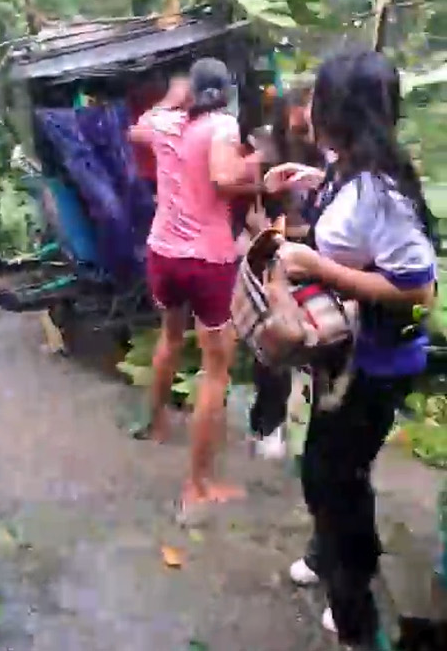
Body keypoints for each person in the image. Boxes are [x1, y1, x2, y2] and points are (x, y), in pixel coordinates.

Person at [265, 49, 435, 647]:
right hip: (344, 356)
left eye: (319, 97)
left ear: (343, 110)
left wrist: (319, 267)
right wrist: (309, 183)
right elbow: (350, 219)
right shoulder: (350, 167)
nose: (308, 108)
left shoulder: (381, 193)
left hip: (377, 364)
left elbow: (418, 292)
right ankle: (330, 550)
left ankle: (354, 597)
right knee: (325, 462)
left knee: (335, 473)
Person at [128, 57, 259, 509]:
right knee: (215, 370)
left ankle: (155, 423)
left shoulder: (164, 123)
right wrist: (260, 162)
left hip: (163, 253)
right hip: (207, 259)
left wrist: (172, 98)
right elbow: (223, 179)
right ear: (226, 91)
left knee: (169, 337)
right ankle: (199, 485)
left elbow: (137, 129)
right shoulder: (222, 126)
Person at [245, 84, 324, 460]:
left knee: (317, 341)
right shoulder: (267, 148)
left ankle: (304, 428)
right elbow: (255, 210)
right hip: (278, 251)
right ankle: (267, 424)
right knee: (275, 342)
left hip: (315, 253)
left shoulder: (325, 151)